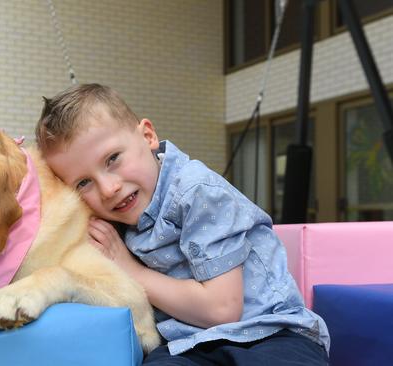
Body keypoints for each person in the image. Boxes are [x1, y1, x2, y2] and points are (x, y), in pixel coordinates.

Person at [35, 83, 329, 365]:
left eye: (112, 159)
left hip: (269, 333)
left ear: (148, 135)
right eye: (83, 182)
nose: (108, 188)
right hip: (189, 345)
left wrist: (130, 269)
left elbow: (223, 309)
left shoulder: (196, 192)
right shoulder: (109, 222)